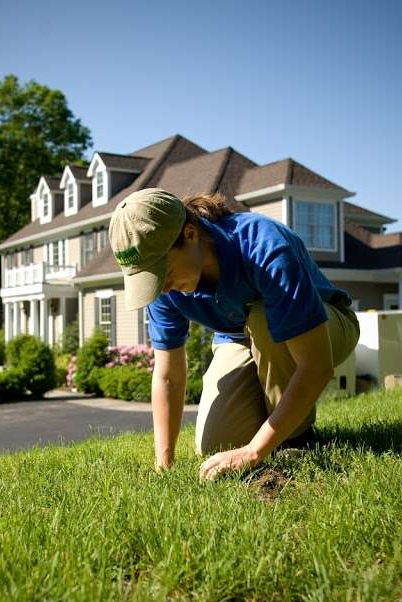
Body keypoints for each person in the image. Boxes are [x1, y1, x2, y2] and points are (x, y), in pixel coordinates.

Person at [109, 188, 360, 481]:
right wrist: (164, 463)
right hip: (240, 336)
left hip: (324, 325)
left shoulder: (263, 245)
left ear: (190, 235)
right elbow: (168, 376)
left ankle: (297, 440)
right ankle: (279, 423)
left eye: (163, 274)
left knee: (263, 318)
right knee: (216, 445)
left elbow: (316, 367)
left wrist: (254, 451)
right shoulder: (163, 287)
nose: (161, 288)